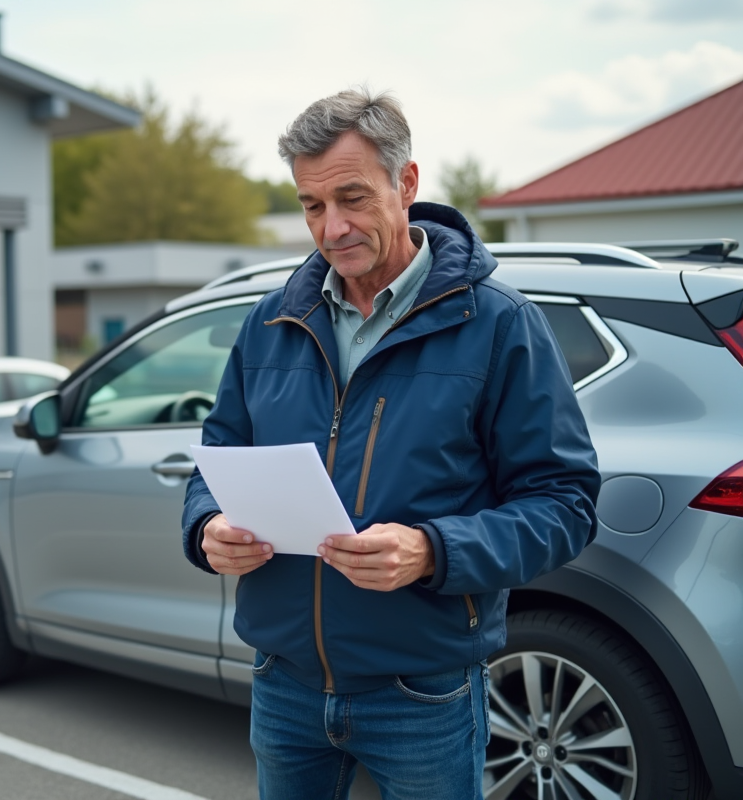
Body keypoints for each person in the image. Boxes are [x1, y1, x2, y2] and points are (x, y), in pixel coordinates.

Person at [181, 88, 600, 799]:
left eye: (351, 198)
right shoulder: (271, 323)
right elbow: (217, 457)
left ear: (406, 183)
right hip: (282, 684)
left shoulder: (500, 325)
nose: (332, 227)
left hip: (422, 694)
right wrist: (207, 527)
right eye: (312, 206)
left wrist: (433, 551)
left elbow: (565, 505)